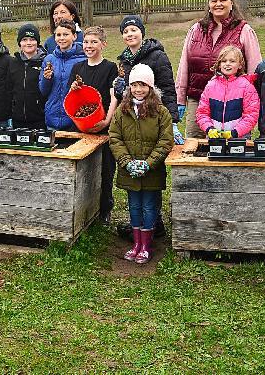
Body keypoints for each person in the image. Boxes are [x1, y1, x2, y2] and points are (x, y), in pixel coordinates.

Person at [176, 0, 262, 141]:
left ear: (232, 3)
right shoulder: (196, 29)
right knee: (197, 145)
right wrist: (180, 98)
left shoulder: (243, 30)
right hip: (198, 99)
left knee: (232, 149)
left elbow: (255, 70)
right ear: (208, 5)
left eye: (223, 0)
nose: (218, 4)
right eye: (213, 0)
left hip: (234, 102)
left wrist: (250, 100)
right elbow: (184, 66)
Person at [108, 63, 173, 264]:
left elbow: (165, 141)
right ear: (129, 87)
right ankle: (136, 243)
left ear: (150, 87)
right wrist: (127, 162)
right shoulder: (122, 110)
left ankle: (146, 245)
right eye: (135, 85)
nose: (138, 89)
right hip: (129, 172)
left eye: (143, 85)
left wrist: (148, 163)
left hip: (151, 172)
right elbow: (115, 137)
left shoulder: (161, 112)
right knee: (134, 207)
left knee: (149, 207)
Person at [68, 26, 119, 223]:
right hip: (82, 125)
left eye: (94, 42)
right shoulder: (77, 68)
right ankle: (83, 207)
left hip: (102, 125)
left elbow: (115, 94)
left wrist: (107, 120)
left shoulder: (110, 68)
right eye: (86, 42)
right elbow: (73, 97)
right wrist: (73, 88)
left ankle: (105, 208)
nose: (89, 46)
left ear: (103, 44)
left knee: (105, 168)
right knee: (84, 167)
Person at [113, 15, 178, 125]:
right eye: (125, 31)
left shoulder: (158, 56)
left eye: (134, 30)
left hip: (154, 114)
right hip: (132, 117)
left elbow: (167, 88)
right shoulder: (124, 61)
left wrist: (172, 120)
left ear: (142, 32)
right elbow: (126, 94)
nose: (130, 34)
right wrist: (119, 91)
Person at [195, 45, 260, 139]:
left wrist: (235, 132)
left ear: (240, 65)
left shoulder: (247, 86)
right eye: (224, 61)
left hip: (239, 139)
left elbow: (251, 115)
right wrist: (209, 128)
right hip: (214, 139)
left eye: (232, 61)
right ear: (219, 64)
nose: (227, 64)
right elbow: (202, 112)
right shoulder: (211, 86)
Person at [38, 20, 86, 130]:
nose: (61, 38)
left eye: (66, 34)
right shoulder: (49, 59)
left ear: (74, 36)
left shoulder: (83, 59)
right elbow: (43, 91)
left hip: (74, 119)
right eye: (58, 35)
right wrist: (47, 78)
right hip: (52, 118)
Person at [9, 24, 47, 130]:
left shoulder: (45, 62)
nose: (28, 43)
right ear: (20, 43)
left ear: (37, 42)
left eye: (32, 39)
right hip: (17, 119)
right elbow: (9, 89)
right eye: (24, 40)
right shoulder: (13, 63)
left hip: (39, 119)